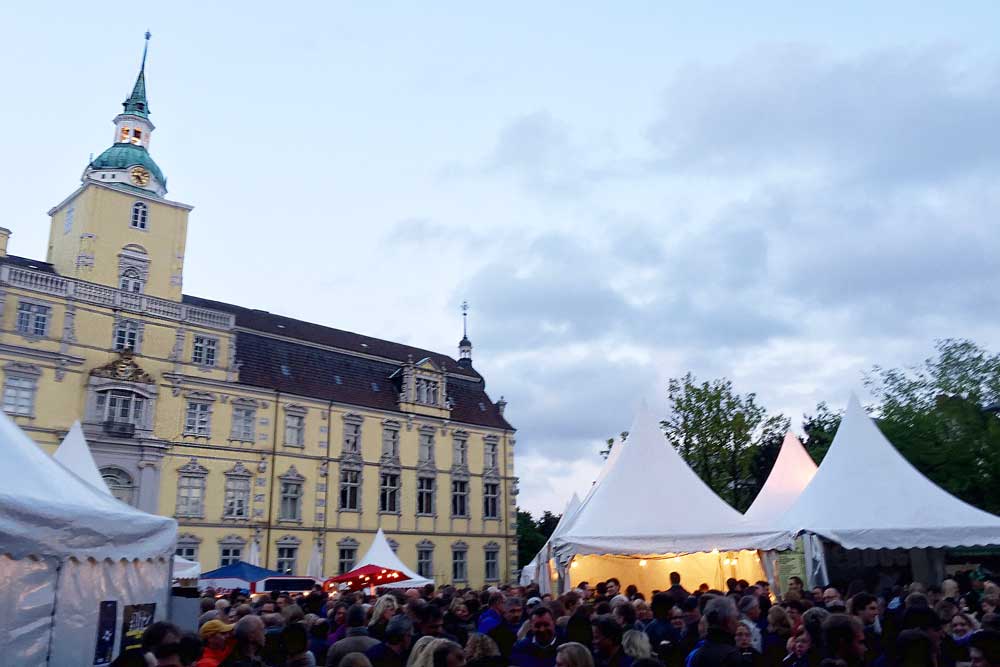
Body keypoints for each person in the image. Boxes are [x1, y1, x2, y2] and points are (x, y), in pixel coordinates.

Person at [689, 597, 741, 667]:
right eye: (736, 618)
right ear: (728, 621)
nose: (738, 623)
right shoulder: (732, 656)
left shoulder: (697, 653)